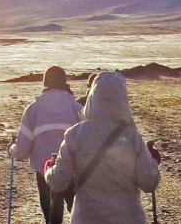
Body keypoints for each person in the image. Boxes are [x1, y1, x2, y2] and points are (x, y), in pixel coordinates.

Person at [43, 71, 161, 224]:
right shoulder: (132, 137)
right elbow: (149, 183)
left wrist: (49, 170)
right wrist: (153, 161)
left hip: (87, 218)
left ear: (92, 96)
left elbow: (58, 183)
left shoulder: (74, 135)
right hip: (128, 217)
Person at [10, 66, 84, 224]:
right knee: (78, 217)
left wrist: (11, 149)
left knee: (52, 219)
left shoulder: (33, 109)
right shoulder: (77, 109)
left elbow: (22, 151)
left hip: (44, 171)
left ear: (45, 82)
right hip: (73, 170)